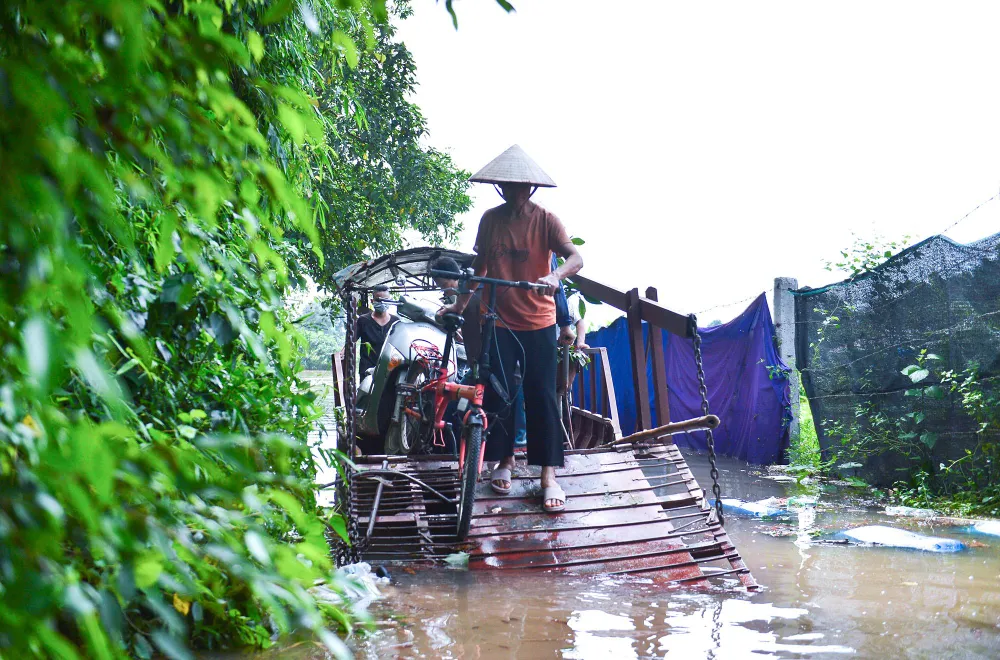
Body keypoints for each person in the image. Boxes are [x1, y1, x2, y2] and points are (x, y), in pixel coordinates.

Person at [438, 144, 583, 513]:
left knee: (541, 395)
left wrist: (554, 275)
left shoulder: (547, 220)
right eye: (509, 186)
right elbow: (481, 268)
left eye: (522, 187)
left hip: (539, 322)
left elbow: (576, 258)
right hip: (498, 321)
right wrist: (459, 305)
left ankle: (548, 475)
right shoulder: (490, 220)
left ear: (530, 188)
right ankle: (505, 462)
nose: (516, 192)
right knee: (499, 396)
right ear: (501, 187)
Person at [355, 285, 398, 376]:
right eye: (379, 300)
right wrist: (342, 353)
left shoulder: (396, 322)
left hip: (389, 370)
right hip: (367, 369)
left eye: (385, 300)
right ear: (372, 301)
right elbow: (352, 340)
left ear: (390, 301)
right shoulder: (363, 320)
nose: (382, 303)